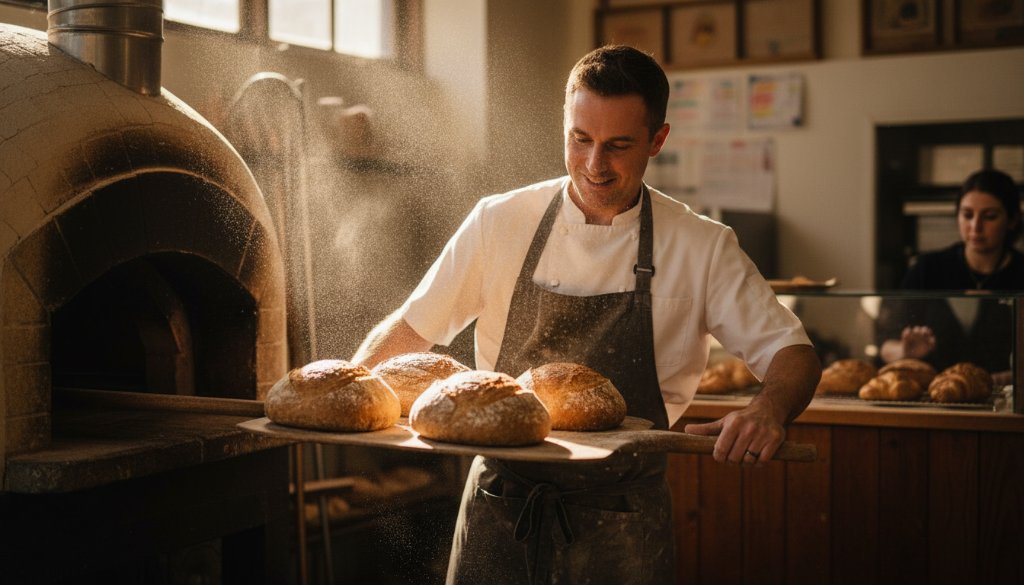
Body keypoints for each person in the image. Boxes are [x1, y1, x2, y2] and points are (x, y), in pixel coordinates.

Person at [352, 45, 821, 585]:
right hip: (501, 503)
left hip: (622, 518)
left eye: (619, 146)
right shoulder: (500, 221)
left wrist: (769, 409)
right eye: (581, 139)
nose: (595, 165)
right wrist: (350, 389)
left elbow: (794, 356)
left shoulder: (702, 246)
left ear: (658, 140)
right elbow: (412, 330)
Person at [879, 168, 1022, 385]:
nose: (976, 227)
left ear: (1011, 220)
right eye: (967, 215)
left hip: (1007, 400)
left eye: (990, 216)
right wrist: (905, 352)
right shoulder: (927, 268)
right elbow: (885, 344)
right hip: (935, 397)